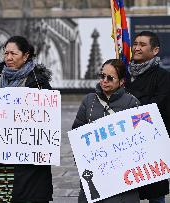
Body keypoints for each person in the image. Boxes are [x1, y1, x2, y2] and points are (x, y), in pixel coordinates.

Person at [0, 35, 53, 203]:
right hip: (1, 158)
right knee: (1, 199)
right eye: (6, 53)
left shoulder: (38, 83)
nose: (8, 58)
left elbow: (47, 119)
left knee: (28, 198)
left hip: (29, 161)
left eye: (13, 54)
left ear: (26, 55)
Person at [72, 59, 140, 203]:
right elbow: (77, 132)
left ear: (121, 81)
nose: (104, 81)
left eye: (110, 78)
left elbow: (140, 139)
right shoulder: (88, 100)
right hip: (94, 173)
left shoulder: (131, 102)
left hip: (122, 176)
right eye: (102, 76)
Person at [125, 31, 170, 203]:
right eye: (135, 44)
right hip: (126, 144)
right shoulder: (124, 76)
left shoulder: (163, 77)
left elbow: (155, 107)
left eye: (142, 45)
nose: (136, 48)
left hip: (152, 146)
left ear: (155, 50)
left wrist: (127, 104)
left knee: (156, 193)